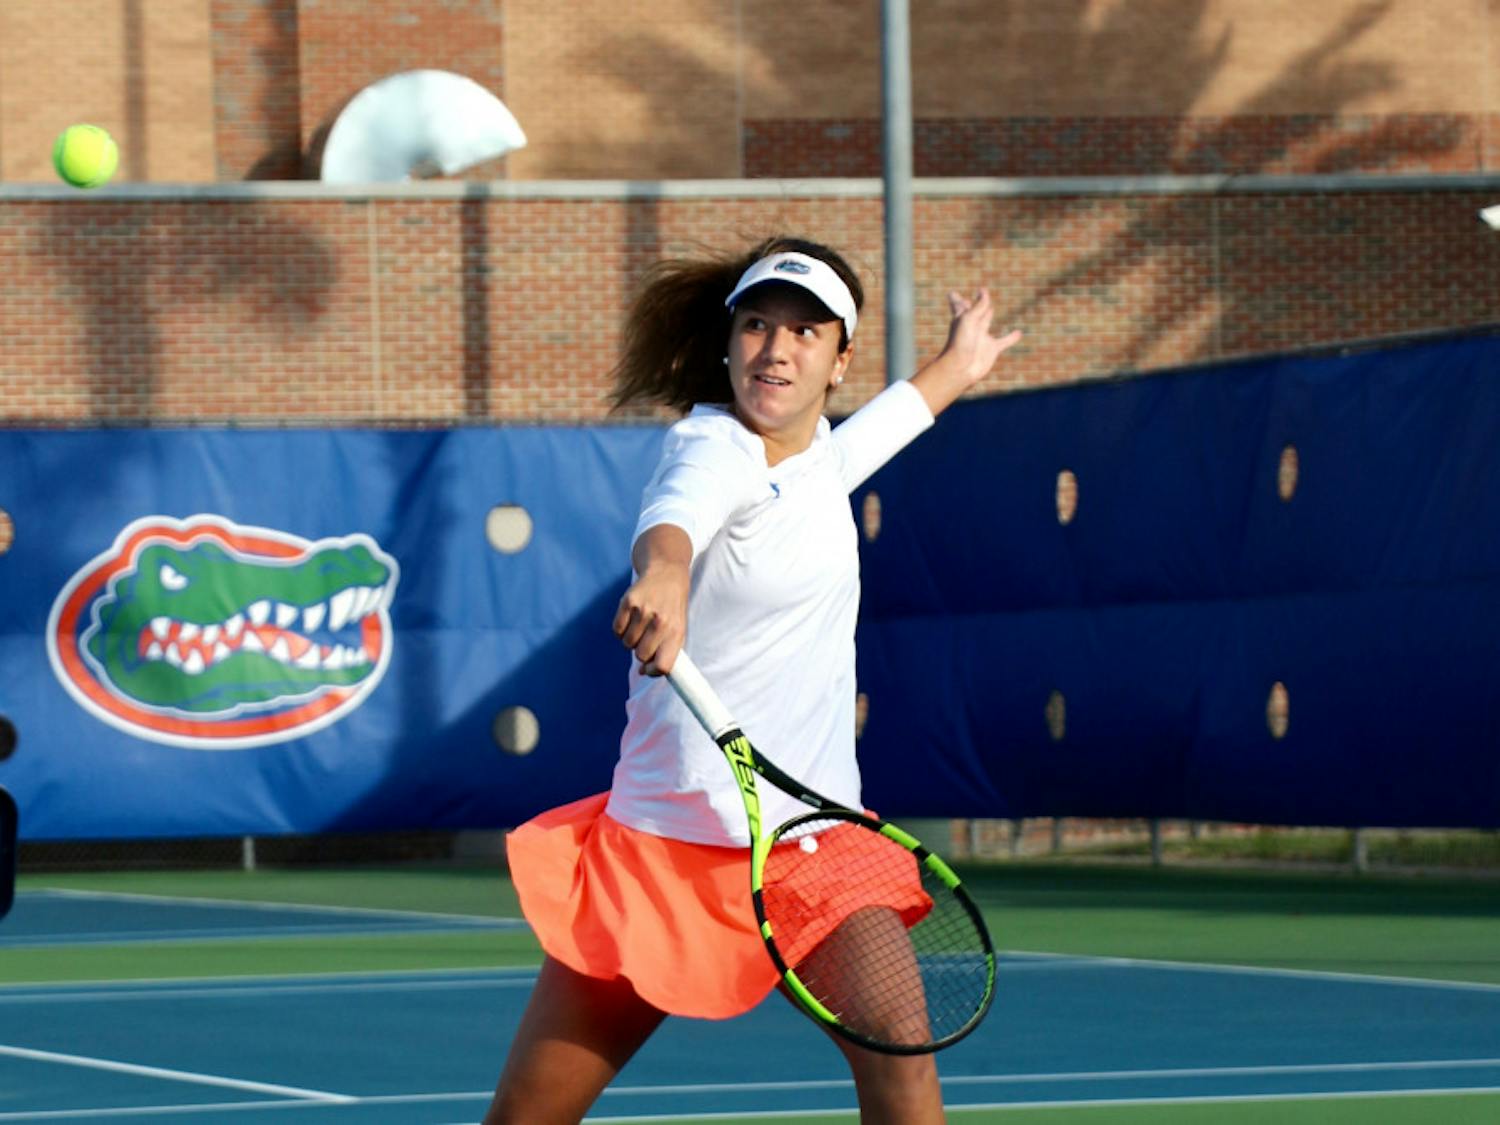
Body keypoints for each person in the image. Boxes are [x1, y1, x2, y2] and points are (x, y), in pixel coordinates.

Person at [482, 235, 1021, 1125]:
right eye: (758, 325)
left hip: (817, 846)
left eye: (807, 332)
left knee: (900, 1046)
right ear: (731, 342)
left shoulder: (823, 464)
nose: (777, 348)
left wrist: (959, 362)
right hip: (670, 849)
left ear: (839, 359)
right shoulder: (711, 446)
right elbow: (674, 518)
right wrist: (663, 577)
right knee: (528, 1118)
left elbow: (896, 416)